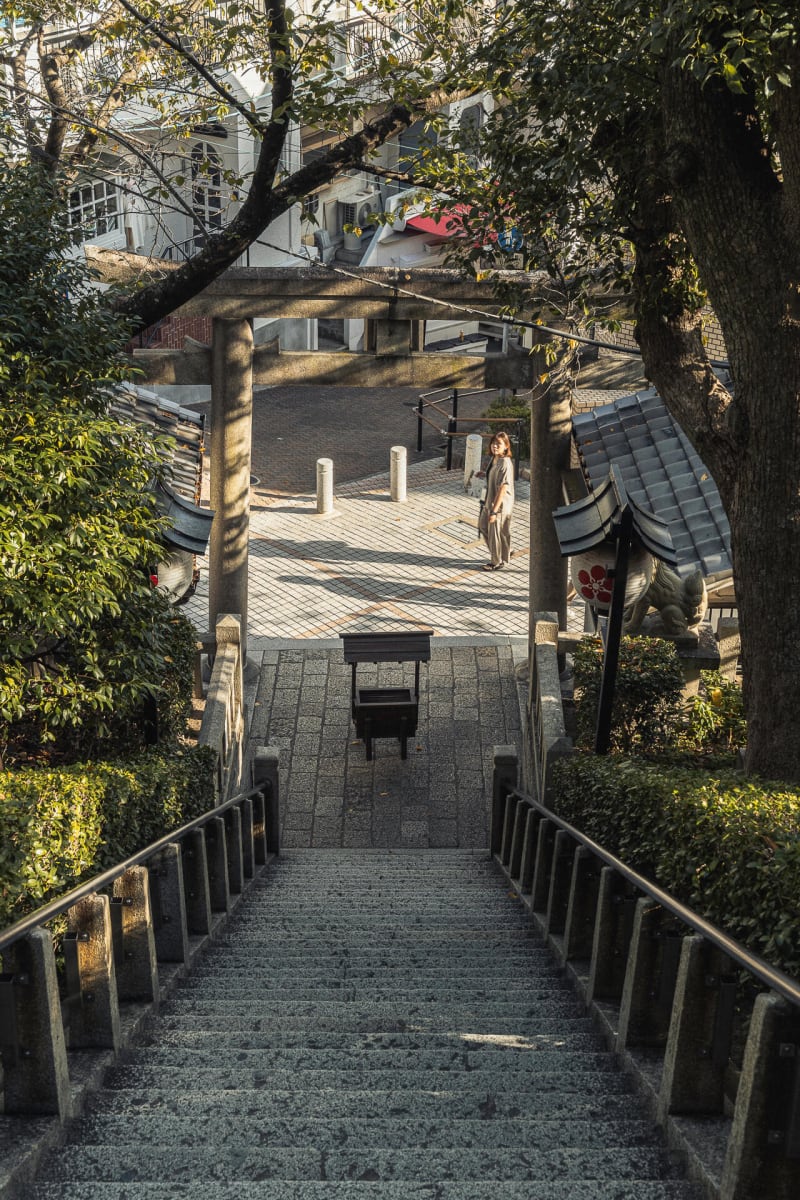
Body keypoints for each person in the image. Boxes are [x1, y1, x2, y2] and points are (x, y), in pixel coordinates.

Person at [478, 431, 515, 570]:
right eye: (493, 443)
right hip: (489, 500)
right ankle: (504, 551)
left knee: (495, 533)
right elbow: (492, 476)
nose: (494, 446)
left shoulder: (504, 463)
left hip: (499, 504)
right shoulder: (495, 459)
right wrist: (484, 474)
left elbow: (503, 489)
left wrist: (494, 511)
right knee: (484, 527)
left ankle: (496, 562)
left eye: (498, 444)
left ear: (506, 446)